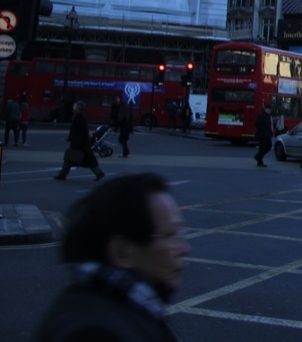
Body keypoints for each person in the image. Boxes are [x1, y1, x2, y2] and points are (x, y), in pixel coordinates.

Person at [34, 173, 189, 342]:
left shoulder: (127, 304)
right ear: (122, 252)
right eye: (169, 235)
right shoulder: (95, 335)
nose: (184, 249)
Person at [55, 101, 106, 182]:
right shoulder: (78, 116)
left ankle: (99, 173)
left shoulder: (79, 117)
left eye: (74, 106)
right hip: (80, 143)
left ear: (78, 108)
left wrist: (74, 139)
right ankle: (63, 174)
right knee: (73, 158)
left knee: (73, 158)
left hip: (80, 144)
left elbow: (78, 131)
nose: (73, 107)